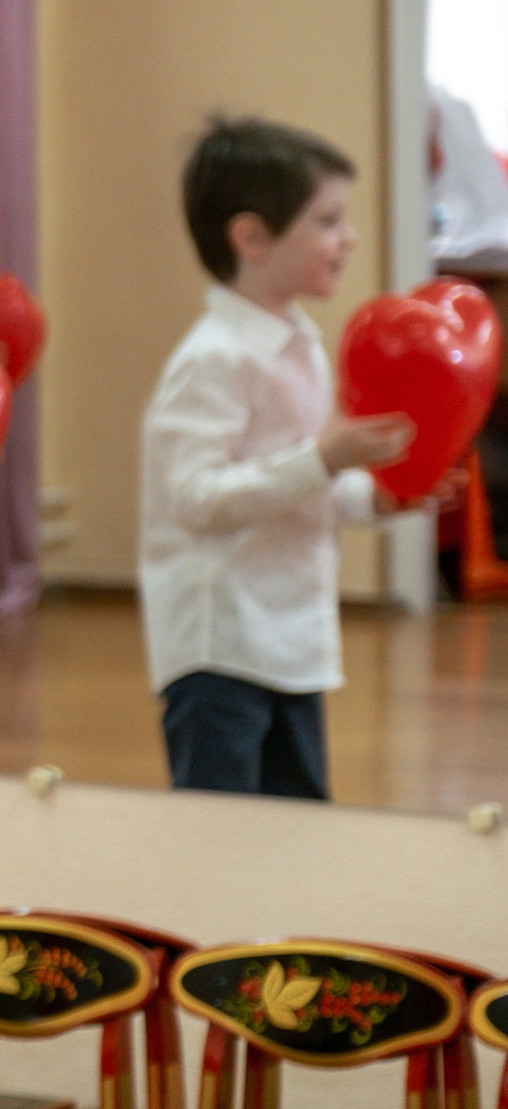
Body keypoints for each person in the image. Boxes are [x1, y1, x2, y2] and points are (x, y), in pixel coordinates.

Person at [141, 118, 416, 799]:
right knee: (220, 834)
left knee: (296, 827)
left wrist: (380, 496)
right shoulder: (213, 358)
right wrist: (324, 458)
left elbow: (308, 484)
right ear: (252, 237)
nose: (347, 238)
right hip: (222, 648)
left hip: (293, 642)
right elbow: (197, 499)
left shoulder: (300, 342)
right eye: (327, 220)